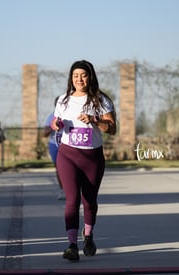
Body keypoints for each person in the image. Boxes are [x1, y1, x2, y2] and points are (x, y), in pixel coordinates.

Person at [51, 60, 116, 261]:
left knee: (89, 201)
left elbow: (112, 129)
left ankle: (88, 235)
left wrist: (95, 120)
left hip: (92, 157)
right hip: (68, 154)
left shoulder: (101, 100)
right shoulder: (63, 100)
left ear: (90, 77)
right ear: (71, 78)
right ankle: (72, 245)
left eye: (83, 75)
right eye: (75, 75)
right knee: (72, 200)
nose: (79, 79)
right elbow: (56, 124)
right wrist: (56, 124)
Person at [43, 96, 65, 200]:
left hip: (68, 144)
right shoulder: (51, 116)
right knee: (59, 168)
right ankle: (62, 190)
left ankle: (73, 190)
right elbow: (44, 134)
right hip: (55, 144)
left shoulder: (70, 114)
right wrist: (53, 125)